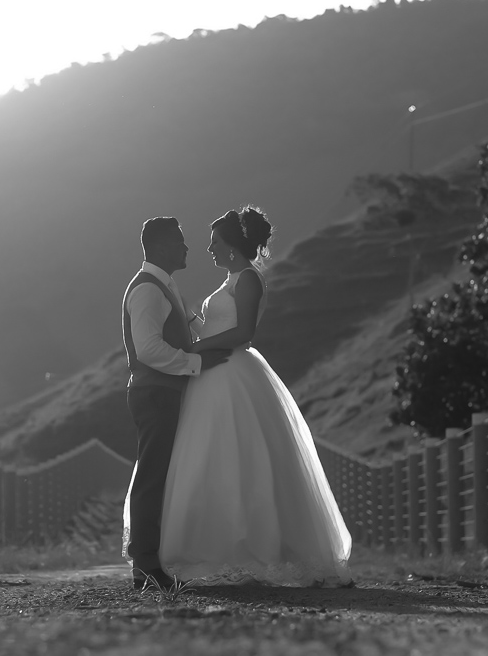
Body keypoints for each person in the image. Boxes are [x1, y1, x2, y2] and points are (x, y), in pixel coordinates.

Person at [159, 206, 353, 586]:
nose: (209, 249)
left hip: (233, 371)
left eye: (215, 243)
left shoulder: (247, 279)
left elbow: (244, 332)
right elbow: (219, 324)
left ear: (231, 246)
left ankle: (253, 551)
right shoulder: (232, 278)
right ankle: (211, 550)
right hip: (213, 373)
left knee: (240, 454)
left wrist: (196, 350)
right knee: (209, 454)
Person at [120, 216, 231, 591]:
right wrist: (196, 363)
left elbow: (188, 326)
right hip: (154, 393)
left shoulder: (164, 286)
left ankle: (154, 560)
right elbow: (148, 348)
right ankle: (145, 564)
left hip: (165, 391)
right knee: (153, 476)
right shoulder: (147, 290)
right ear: (160, 246)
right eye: (180, 242)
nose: (186, 248)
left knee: (163, 474)